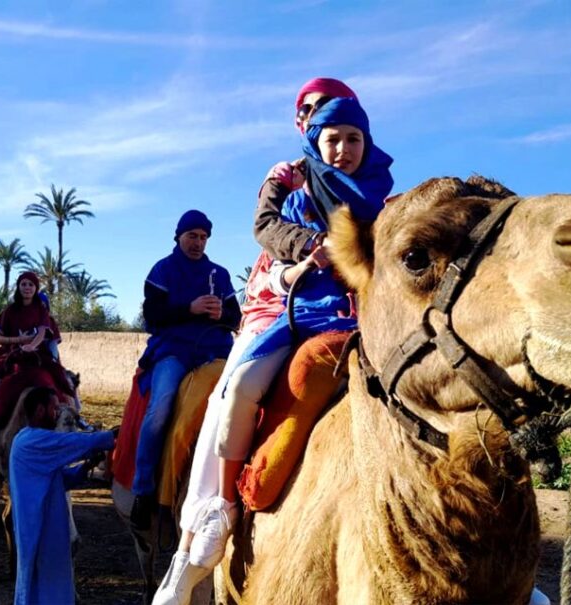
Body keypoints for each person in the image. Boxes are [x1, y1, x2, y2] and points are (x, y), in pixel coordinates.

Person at [153, 77, 360, 605]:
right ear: (304, 126)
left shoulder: (375, 194)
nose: (332, 137)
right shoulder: (290, 189)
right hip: (273, 316)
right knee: (203, 397)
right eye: (313, 115)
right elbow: (266, 258)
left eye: (345, 127)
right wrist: (301, 264)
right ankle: (195, 529)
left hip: (353, 316)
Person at [129, 210, 242, 530]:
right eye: (192, 236)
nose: (198, 242)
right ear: (178, 236)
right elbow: (152, 317)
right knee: (162, 405)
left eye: (204, 237)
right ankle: (143, 489)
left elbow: (235, 318)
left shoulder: (219, 274)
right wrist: (189, 309)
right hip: (174, 351)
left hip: (215, 351)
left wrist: (223, 314)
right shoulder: (162, 271)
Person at [9, 386, 116, 605]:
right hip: (39, 529)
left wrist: (86, 467)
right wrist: (109, 437)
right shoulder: (30, 440)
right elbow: (69, 443)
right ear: (39, 410)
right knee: (43, 585)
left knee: (50, 585)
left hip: (49, 528)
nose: (57, 413)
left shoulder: (32, 441)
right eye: (54, 408)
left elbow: (61, 480)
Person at [0, 271, 58, 461]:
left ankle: (72, 423)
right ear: (19, 287)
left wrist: (31, 346)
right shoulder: (9, 311)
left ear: (36, 289)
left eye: (31, 285)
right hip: (11, 357)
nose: (27, 288)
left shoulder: (41, 310)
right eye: (24, 284)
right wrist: (19, 341)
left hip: (36, 358)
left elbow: (42, 333)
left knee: (62, 382)